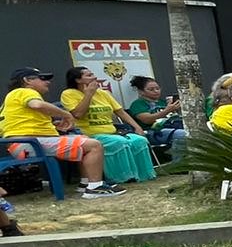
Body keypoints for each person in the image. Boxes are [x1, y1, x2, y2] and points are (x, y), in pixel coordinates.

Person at [2, 68, 123, 197]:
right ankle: (95, 187)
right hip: (29, 143)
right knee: (93, 145)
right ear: (27, 80)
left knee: (82, 138)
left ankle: (85, 183)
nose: (47, 82)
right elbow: (37, 105)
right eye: (42, 79)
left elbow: (19, 124)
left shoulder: (12, 98)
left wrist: (54, 126)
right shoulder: (23, 91)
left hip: (21, 143)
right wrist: (66, 115)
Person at [57, 67, 157, 184]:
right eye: (89, 75)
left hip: (112, 131)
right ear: (78, 80)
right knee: (118, 142)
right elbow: (78, 114)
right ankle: (122, 177)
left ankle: (144, 175)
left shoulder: (103, 93)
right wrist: (88, 94)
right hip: (89, 134)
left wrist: (137, 127)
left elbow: (120, 112)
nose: (94, 77)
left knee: (139, 140)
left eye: (93, 74)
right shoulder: (69, 94)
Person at [126, 75, 187, 156]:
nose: (156, 91)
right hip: (154, 132)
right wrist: (167, 110)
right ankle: (179, 166)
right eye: (151, 89)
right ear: (141, 91)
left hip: (174, 126)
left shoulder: (163, 102)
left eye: (157, 88)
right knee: (182, 134)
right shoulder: (138, 104)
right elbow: (147, 120)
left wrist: (178, 108)